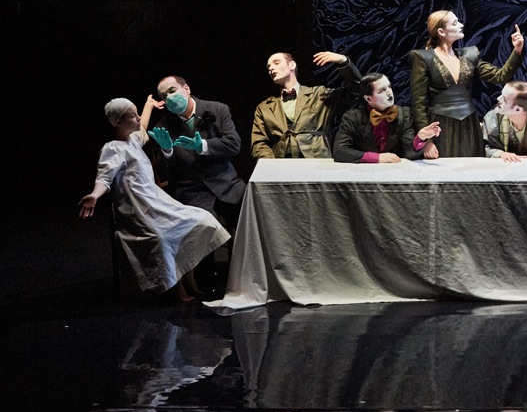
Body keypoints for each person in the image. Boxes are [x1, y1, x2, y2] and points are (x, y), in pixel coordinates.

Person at [79, 98, 230, 301]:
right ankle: (177, 287)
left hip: (157, 203)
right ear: (118, 122)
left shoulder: (133, 140)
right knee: (166, 236)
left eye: (137, 113)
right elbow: (104, 178)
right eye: (132, 116)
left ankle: (189, 279)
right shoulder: (113, 149)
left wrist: (149, 105)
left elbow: (142, 126)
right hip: (138, 210)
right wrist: (94, 195)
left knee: (201, 221)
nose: (138, 118)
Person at [408, 11, 525, 157]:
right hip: (440, 126)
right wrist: (427, 141)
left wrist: (517, 51)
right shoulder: (423, 58)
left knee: (470, 166)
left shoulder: (469, 55)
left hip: (469, 124)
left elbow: (500, 76)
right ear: (441, 31)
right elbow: (418, 103)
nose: (461, 25)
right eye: (455, 23)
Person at [147, 75, 244, 225]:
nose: (169, 98)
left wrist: (203, 146)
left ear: (186, 89)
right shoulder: (162, 128)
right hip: (192, 193)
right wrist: (167, 150)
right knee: (206, 228)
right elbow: (164, 174)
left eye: (172, 91)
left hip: (227, 185)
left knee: (254, 215)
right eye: (164, 96)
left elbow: (234, 145)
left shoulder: (218, 109)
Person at [250, 50, 362, 159]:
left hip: (316, 160)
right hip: (282, 163)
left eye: (276, 63)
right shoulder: (264, 107)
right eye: (268, 67)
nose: (271, 68)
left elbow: (357, 91)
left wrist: (343, 61)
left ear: (292, 65)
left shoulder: (318, 94)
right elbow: (259, 142)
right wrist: (272, 164)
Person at [334, 73, 441, 163]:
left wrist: (420, 138)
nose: (389, 93)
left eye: (389, 87)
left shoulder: (404, 114)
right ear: (368, 99)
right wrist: (376, 158)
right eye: (382, 91)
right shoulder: (352, 118)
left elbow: (409, 153)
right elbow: (340, 151)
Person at [483, 81, 527, 162]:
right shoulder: (494, 117)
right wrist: (501, 154)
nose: (498, 99)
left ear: (518, 109)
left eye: (505, 99)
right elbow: (489, 146)